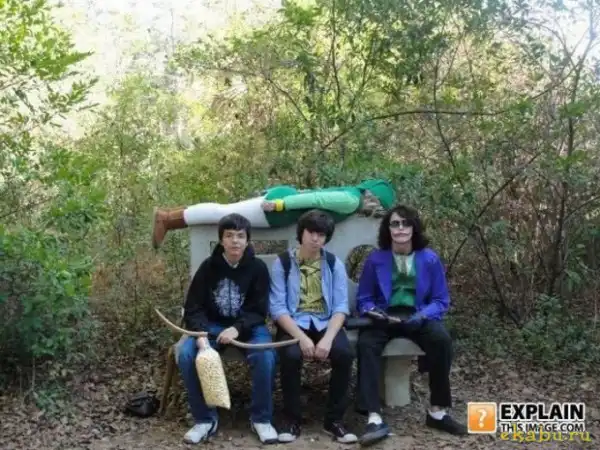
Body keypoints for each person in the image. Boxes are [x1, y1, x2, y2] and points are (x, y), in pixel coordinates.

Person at [354, 204, 467, 446]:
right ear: (388, 229)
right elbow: (364, 298)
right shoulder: (376, 259)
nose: (400, 228)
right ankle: (374, 417)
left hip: (418, 314)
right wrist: (375, 313)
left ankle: (437, 412)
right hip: (385, 315)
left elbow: (440, 300)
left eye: (406, 223)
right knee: (366, 343)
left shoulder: (430, 259)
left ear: (414, 228)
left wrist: (422, 315)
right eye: (395, 224)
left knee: (441, 340)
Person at [176, 213, 279, 445]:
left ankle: (261, 419)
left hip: (249, 327)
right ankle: (205, 420)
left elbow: (259, 310)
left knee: (265, 355)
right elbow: (193, 307)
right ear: (221, 239)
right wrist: (201, 335)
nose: (235, 241)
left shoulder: (258, 268)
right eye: (229, 235)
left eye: (240, 236)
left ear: (247, 240)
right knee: (187, 354)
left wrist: (237, 328)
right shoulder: (208, 267)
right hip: (211, 326)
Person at [268, 209, 357, 444]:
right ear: (301, 233)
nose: (315, 238)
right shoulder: (283, 263)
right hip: (293, 323)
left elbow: (340, 306)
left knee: (344, 354)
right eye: (311, 232)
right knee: (290, 355)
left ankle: (334, 420)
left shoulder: (333, 263)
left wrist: (327, 339)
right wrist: (301, 338)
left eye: (321, 234)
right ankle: (291, 419)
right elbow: (278, 308)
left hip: (326, 322)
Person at [151, 179, 396, 248]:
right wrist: (280, 204)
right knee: (223, 213)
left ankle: (170, 218)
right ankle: (168, 219)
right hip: (277, 210)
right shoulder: (351, 200)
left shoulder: (351, 199)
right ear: (372, 199)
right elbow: (314, 199)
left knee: (224, 213)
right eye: (378, 207)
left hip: (282, 206)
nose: (375, 212)